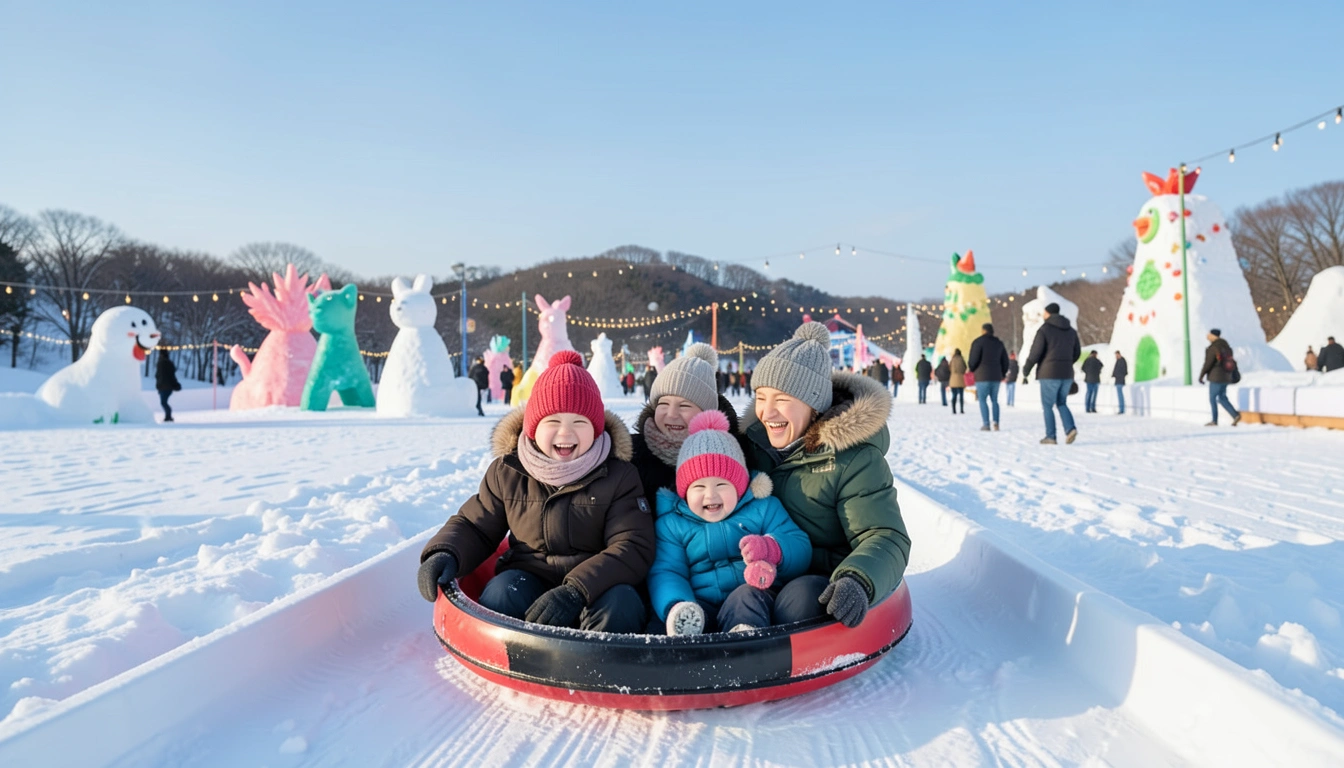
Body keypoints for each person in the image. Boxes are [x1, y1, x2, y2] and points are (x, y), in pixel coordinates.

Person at [416, 351, 654, 633]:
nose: (565, 433)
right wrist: (446, 552)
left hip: (596, 584)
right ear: (533, 427)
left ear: (596, 429)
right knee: (501, 593)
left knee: (621, 604)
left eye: (579, 422)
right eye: (553, 422)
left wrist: (576, 591)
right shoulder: (508, 472)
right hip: (529, 575)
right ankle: (508, 652)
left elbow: (632, 545)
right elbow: (476, 525)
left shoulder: (619, 475)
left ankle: (601, 657)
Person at [741, 322, 911, 629]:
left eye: (782, 399)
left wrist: (857, 578)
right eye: (761, 397)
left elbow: (884, 535)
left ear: (814, 404)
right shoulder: (751, 446)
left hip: (819, 581)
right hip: (758, 570)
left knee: (801, 601)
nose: (767, 412)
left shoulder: (854, 459)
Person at [649, 411, 811, 635]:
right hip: (700, 605)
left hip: (755, 598)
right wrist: (677, 603)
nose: (710, 495)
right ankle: (685, 632)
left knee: (746, 596)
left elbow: (800, 546)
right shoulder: (672, 525)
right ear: (684, 492)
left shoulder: (764, 508)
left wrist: (771, 548)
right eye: (699, 487)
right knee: (666, 619)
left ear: (740, 485)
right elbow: (668, 572)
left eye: (721, 485)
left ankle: (744, 637)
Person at [629, 343, 750, 513]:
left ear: (707, 412)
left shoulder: (736, 456)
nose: (671, 414)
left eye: (684, 405)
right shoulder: (631, 456)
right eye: (663, 404)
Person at [1022, 302, 1081, 445]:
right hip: (1067, 373)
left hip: (1049, 373)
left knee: (1048, 405)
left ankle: (1051, 436)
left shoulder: (1045, 329)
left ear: (1048, 313)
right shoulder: (1071, 331)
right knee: (1061, 402)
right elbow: (1077, 352)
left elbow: (1036, 352)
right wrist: (1066, 362)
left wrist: (1026, 369)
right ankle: (1070, 428)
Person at [968, 323, 1009, 431]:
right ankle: (996, 422)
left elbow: (973, 359)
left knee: (982, 400)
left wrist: (972, 368)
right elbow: (1005, 361)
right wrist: (1002, 373)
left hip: (982, 376)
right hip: (996, 376)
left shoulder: (978, 342)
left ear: (983, 330)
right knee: (994, 400)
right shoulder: (999, 343)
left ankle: (986, 424)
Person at [1198, 329, 1241, 427]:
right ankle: (1235, 415)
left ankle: (1214, 420)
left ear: (1213, 336)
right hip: (1226, 376)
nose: (1207, 336)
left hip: (1216, 377)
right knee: (1222, 397)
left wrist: (1201, 375)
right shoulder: (1227, 347)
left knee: (1212, 398)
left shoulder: (1213, 348)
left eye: (1209, 334)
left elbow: (1208, 363)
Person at [155, 348, 181, 423]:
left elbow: (159, 376)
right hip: (165, 386)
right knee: (163, 402)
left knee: (163, 402)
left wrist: (158, 385)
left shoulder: (161, 363)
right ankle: (168, 416)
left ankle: (168, 416)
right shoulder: (167, 363)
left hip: (164, 386)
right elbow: (171, 375)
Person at [948, 349, 967, 415]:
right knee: (961, 396)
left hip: (953, 380)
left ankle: (954, 410)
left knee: (954, 395)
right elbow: (965, 367)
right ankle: (961, 409)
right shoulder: (962, 359)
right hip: (961, 379)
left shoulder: (952, 360)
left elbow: (949, 368)